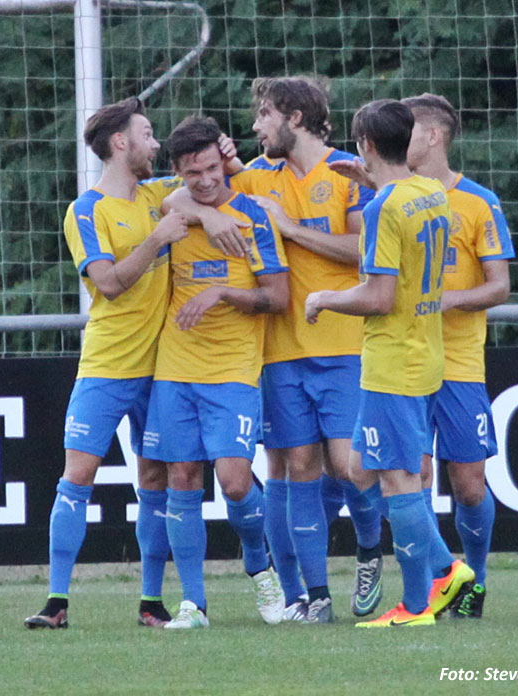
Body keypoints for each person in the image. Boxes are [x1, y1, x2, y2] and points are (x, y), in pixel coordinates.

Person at [167, 77, 382, 624]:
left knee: (350, 465)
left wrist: (291, 229)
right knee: (297, 465)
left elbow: (363, 251)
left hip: (342, 342)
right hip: (280, 347)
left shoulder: (344, 173)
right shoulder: (257, 175)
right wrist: (211, 214)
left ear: (295, 118)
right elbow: (180, 191)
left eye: (264, 114)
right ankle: (313, 596)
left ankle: (369, 551)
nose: (255, 125)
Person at [305, 98, 472, 627]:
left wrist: (323, 299)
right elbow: (404, 211)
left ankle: (428, 592)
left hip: (391, 359)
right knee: (361, 468)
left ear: (367, 145)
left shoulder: (383, 208)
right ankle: (442, 573)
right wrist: (375, 180)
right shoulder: (431, 193)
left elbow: (378, 296)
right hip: (425, 352)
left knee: (398, 480)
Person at [24, 97, 189, 629]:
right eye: (148, 133)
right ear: (121, 143)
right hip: (106, 364)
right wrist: (157, 239)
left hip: (161, 369)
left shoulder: (158, 194)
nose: (156, 143)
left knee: (154, 479)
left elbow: (210, 183)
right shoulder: (86, 210)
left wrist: (231, 158)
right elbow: (111, 284)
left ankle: (151, 602)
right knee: (78, 475)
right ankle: (56, 602)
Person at [144, 115, 290, 629]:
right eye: (191, 173)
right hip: (176, 366)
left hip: (233, 369)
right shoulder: (171, 207)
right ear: (178, 172)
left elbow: (278, 297)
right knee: (182, 477)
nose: (204, 181)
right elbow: (157, 199)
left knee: (232, 482)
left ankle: (261, 567)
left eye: (210, 168)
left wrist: (223, 292)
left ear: (222, 160)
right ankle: (193, 604)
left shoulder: (252, 214)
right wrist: (199, 215)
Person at [403, 93, 515, 618]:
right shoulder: (394, 199)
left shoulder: (477, 202)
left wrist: (444, 298)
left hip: (460, 366)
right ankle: (435, 584)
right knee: (415, 476)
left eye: (408, 128)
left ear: (432, 136)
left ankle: (477, 580)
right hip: (404, 361)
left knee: (468, 485)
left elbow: (499, 287)